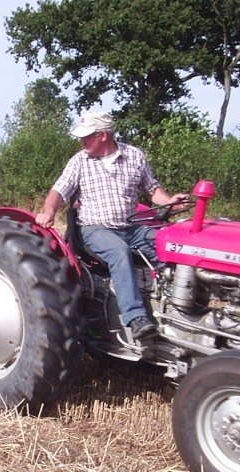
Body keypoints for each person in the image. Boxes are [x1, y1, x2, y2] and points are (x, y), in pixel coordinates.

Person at [35, 111, 187, 342]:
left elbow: (152, 189)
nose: (81, 141)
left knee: (171, 249)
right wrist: (48, 211)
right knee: (118, 251)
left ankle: (180, 309)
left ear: (103, 135)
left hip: (131, 227)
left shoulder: (134, 156)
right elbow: (58, 191)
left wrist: (168, 202)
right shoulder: (80, 161)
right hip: (94, 229)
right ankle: (136, 318)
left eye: (87, 136)